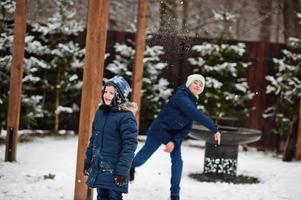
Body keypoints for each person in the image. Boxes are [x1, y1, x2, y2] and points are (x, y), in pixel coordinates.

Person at [130, 74, 221, 200]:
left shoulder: (192, 103)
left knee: (178, 162)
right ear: (188, 84)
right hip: (158, 131)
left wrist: (174, 141)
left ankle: (174, 195)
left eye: (201, 85)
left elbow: (187, 128)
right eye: (195, 82)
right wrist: (214, 128)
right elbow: (194, 114)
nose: (198, 85)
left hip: (174, 136)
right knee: (141, 159)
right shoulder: (181, 96)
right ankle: (130, 166)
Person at [83, 76, 138, 200]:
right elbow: (94, 140)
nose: (106, 95)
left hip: (115, 170)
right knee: (101, 196)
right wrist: (88, 162)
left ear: (119, 96)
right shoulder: (100, 113)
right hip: (100, 167)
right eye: (105, 91)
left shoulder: (126, 117)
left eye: (112, 93)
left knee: (114, 197)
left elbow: (129, 146)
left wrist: (122, 171)